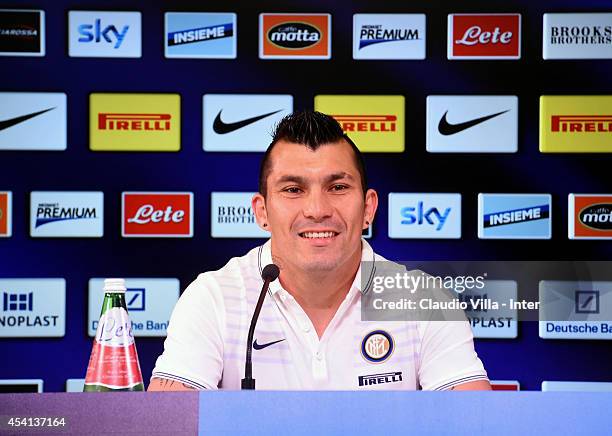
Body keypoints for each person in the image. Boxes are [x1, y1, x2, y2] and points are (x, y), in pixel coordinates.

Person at [148, 110, 490, 391]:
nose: (317, 209)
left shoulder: (422, 301)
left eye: (337, 187)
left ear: (368, 208)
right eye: (294, 189)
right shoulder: (214, 298)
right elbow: (164, 429)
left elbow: (478, 428)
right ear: (262, 211)